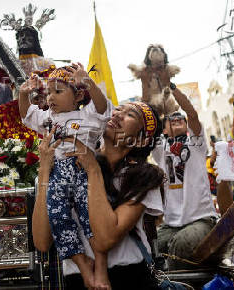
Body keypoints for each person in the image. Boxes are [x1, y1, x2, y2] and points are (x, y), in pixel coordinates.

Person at [33, 101, 167, 289]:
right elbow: (42, 241)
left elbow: (105, 239)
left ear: (141, 140)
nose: (118, 114)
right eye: (118, 109)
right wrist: (45, 170)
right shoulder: (67, 165)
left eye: (131, 115)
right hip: (77, 281)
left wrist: (93, 169)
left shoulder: (144, 176)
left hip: (128, 278)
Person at [20, 63, 112, 288]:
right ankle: (83, 266)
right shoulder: (48, 119)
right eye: (49, 92)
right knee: (58, 219)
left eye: (58, 91)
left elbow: (103, 109)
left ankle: (100, 266)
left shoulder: (88, 116)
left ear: (78, 95)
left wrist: (88, 81)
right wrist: (23, 94)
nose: (51, 97)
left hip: (84, 172)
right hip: (57, 174)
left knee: (90, 219)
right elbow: (26, 115)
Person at [151, 82, 217, 270]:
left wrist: (172, 88)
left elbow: (193, 114)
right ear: (163, 130)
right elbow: (152, 120)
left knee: (181, 244)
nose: (177, 118)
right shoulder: (159, 148)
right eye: (171, 119)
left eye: (181, 118)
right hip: (171, 223)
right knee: (155, 245)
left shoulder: (195, 143)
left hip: (201, 219)